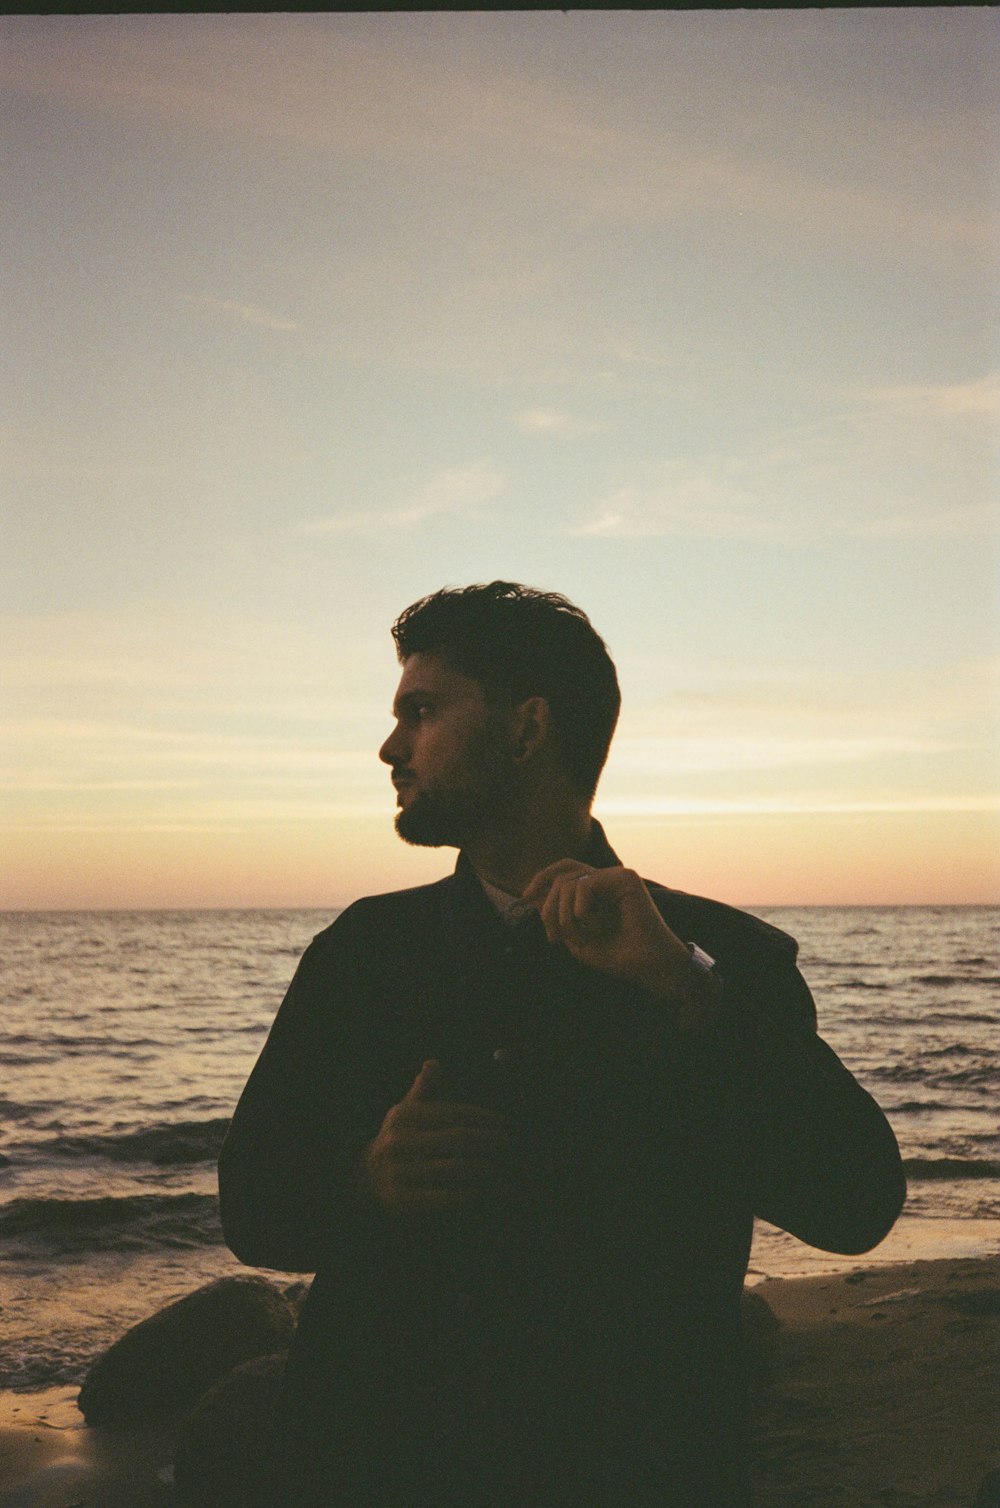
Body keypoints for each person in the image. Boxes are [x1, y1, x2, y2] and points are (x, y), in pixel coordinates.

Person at [219, 581, 905, 1507]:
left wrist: (687, 993)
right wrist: (366, 1176)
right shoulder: (363, 952)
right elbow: (249, 1210)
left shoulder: (722, 958)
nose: (390, 747)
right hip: (382, 1463)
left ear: (527, 728)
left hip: (638, 1469)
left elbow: (855, 1202)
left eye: (421, 712)